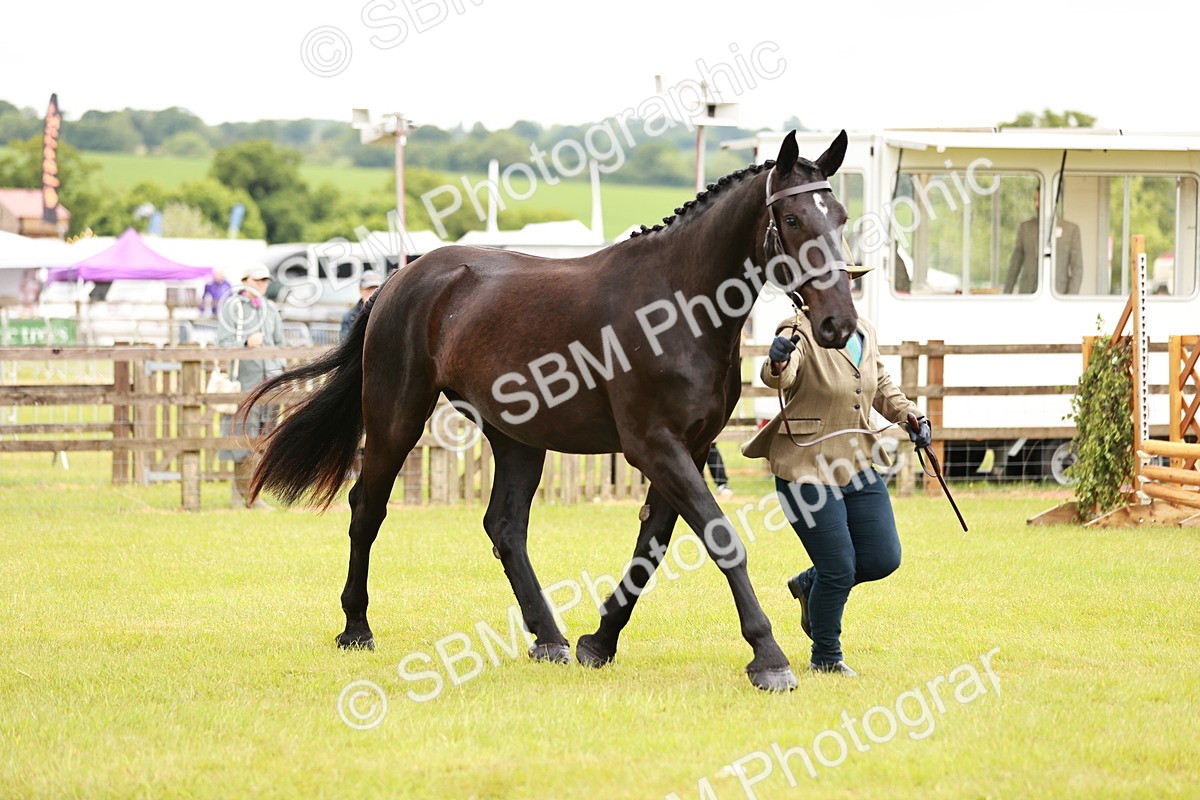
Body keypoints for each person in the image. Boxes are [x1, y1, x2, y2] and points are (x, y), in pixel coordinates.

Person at [741, 310, 931, 677]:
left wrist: (912, 416)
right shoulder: (797, 328)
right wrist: (777, 360)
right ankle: (825, 656)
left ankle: (810, 583)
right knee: (839, 567)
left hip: (858, 462)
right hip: (805, 468)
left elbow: (883, 383)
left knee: (883, 557)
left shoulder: (864, 330)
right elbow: (780, 374)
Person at [216, 263, 285, 509]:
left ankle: (247, 495)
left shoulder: (270, 309)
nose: (262, 285)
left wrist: (280, 369)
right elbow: (222, 343)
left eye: (265, 280)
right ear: (245, 281)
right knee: (242, 437)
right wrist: (245, 342)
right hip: (245, 381)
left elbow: (280, 343)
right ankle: (247, 497)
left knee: (264, 438)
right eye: (257, 280)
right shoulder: (233, 307)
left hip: (269, 381)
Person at [1004, 188, 1083, 295]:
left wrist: (1070, 299)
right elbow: (1015, 265)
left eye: (1039, 200)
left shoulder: (1071, 229)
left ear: (1051, 201)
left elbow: (1077, 268)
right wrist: (1007, 293)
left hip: (1058, 295)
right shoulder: (1025, 228)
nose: (1036, 204)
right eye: (1035, 200)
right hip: (1028, 294)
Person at [341, 271, 384, 340]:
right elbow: (344, 343)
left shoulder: (387, 314)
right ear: (360, 290)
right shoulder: (350, 317)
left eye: (376, 290)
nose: (372, 294)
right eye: (368, 289)